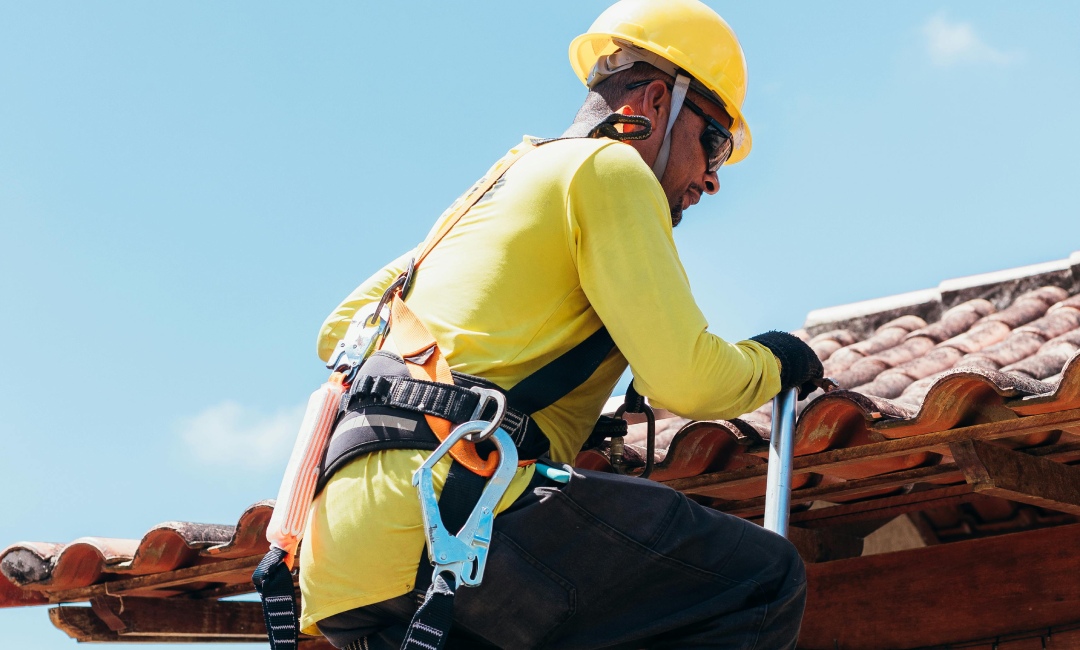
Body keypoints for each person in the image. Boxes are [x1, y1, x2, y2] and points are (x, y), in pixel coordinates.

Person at [299, 1, 824, 648]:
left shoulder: (504, 180)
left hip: (345, 552)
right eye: (713, 141)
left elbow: (340, 329)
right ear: (658, 101)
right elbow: (687, 382)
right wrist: (775, 361)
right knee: (761, 579)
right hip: (451, 510)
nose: (712, 180)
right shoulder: (609, 169)